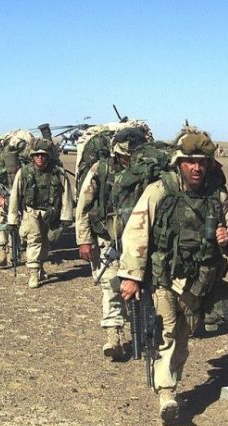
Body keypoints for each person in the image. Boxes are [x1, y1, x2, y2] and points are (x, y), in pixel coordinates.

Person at [118, 128, 228, 425]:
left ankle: (169, 381)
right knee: (168, 335)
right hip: (165, 280)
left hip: (198, 282)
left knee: (185, 338)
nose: (196, 167)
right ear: (178, 163)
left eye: (201, 161)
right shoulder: (160, 191)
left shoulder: (217, 194)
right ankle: (166, 393)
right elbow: (137, 232)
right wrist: (132, 276)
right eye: (190, 161)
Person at [76, 126, 151, 360]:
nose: (128, 160)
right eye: (124, 156)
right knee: (111, 287)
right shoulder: (101, 170)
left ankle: (146, 333)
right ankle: (113, 335)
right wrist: (84, 240)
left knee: (143, 288)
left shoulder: (149, 172)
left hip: (141, 244)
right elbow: (84, 206)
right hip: (108, 241)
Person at [6, 140, 73, 288]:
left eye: (43, 155)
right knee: (34, 240)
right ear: (32, 157)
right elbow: (15, 196)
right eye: (37, 155)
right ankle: (33, 273)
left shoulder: (58, 173)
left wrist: (66, 217)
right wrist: (12, 219)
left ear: (48, 157)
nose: (40, 158)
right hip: (31, 212)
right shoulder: (23, 173)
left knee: (46, 243)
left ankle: (40, 267)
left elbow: (66, 195)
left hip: (51, 213)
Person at [0, 140, 25, 267]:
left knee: (16, 225)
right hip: (1, 198)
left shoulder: (24, 162)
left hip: (17, 199)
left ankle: (14, 254)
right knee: (1, 223)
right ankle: (2, 253)